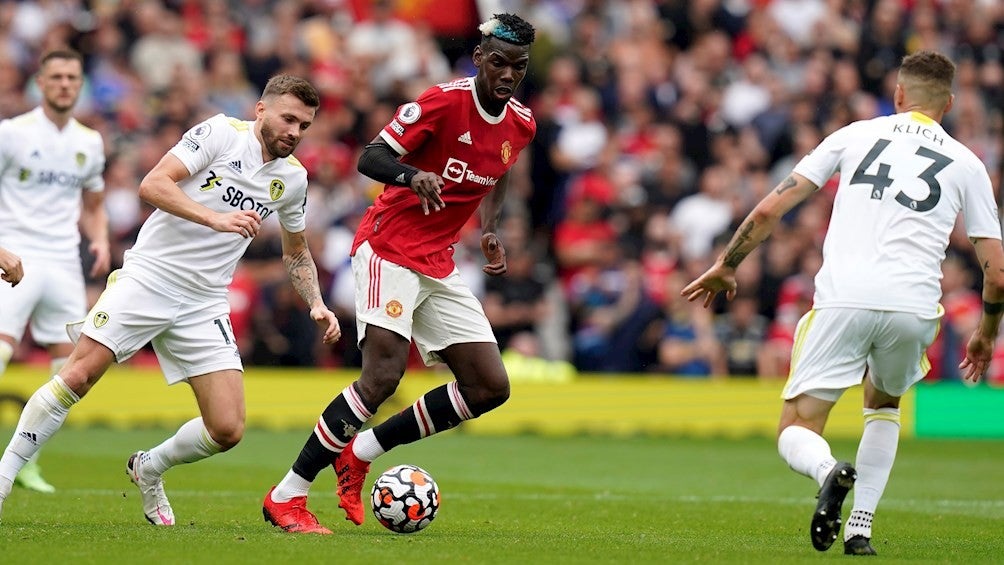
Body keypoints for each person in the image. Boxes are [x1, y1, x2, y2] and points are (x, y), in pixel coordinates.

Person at [681, 51, 1004, 556]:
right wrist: (984, 333)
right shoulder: (968, 163)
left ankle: (829, 470)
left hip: (844, 299)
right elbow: (997, 273)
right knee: (884, 407)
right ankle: (860, 530)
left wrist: (728, 263)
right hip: (913, 306)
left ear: (898, 95)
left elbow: (771, 207)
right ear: (950, 104)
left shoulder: (854, 135)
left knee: (797, 428)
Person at [0, 75, 341, 525]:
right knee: (78, 376)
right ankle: (4, 481)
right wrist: (214, 218)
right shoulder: (220, 133)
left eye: (304, 125)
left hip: (204, 300)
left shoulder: (293, 179)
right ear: (261, 110)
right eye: (288, 119)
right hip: (150, 276)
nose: (294, 132)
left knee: (227, 428)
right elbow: (153, 184)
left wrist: (315, 302)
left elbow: (295, 250)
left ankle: (149, 467)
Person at [262, 13, 536, 534]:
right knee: (383, 374)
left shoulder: (521, 122)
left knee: (489, 387)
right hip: (387, 246)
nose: (506, 74)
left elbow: (499, 170)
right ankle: (287, 495)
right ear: (479, 58)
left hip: (439, 259)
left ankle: (360, 452)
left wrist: (490, 227)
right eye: (498, 62)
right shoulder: (442, 100)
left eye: (517, 67)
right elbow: (372, 156)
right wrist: (413, 175)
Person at [0, 49, 109, 494]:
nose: (65, 84)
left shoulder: (90, 141)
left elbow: (94, 204)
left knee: (70, 373)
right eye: (57, 77)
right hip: (16, 255)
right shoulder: (12, 133)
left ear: (80, 84)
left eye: (72, 77)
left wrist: (99, 238)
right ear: (41, 83)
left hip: (64, 261)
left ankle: (26, 461)